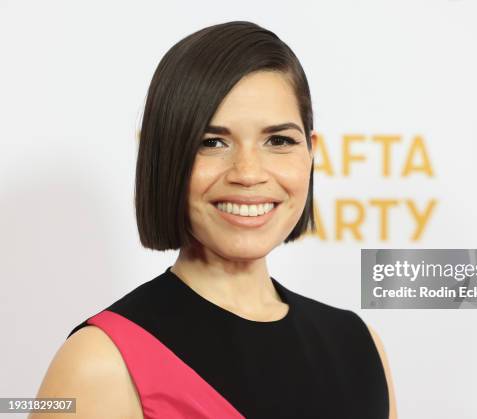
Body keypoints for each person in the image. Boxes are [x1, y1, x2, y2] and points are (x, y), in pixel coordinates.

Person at [31, 20, 398, 419]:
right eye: (213, 142)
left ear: (310, 154)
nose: (248, 172)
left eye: (279, 141)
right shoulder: (102, 362)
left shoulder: (359, 346)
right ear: (168, 157)